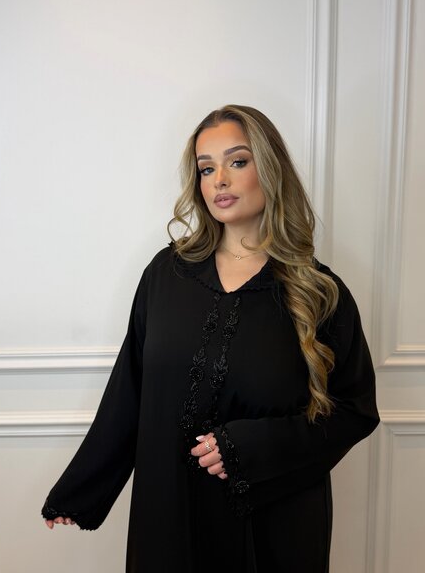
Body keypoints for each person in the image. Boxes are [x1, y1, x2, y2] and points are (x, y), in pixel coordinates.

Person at [41, 104, 380, 572]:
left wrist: (250, 447)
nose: (219, 179)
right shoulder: (166, 275)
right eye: (206, 168)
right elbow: (130, 390)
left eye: (237, 161)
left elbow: (355, 412)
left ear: (270, 168)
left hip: (272, 527)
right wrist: (81, 491)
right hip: (171, 515)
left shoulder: (317, 292)